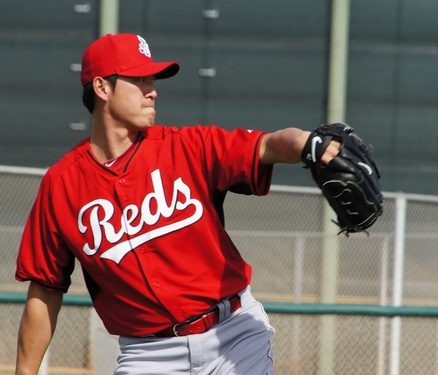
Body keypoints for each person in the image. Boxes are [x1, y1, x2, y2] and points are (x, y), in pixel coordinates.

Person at [15, 33, 339, 375]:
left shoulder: (188, 147)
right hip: (148, 353)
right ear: (101, 88)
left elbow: (268, 145)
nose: (152, 90)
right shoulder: (61, 184)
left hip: (233, 336)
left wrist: (307, 143)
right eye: (139, 79)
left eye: (152, 79)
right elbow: (45, 290)